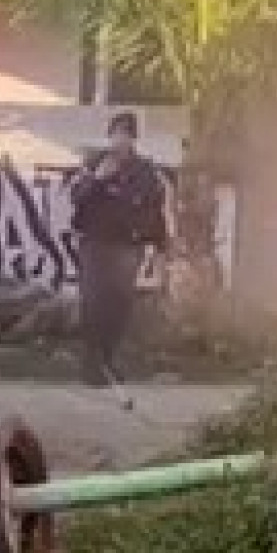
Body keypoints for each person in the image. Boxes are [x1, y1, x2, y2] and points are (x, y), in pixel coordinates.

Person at [72, 110, 171, 387]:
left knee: (119, 306)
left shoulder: (145, 172)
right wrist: (98, 178)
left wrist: (159, 247)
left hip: (127, 247)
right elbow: (77, 198)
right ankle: (91, 365)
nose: (120, 140)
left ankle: (107, 360)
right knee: (93, 304)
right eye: (116, 134)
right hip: (95, 245)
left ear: (133, 138)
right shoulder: (94, 163)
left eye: (125, 134)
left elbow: (155, 211)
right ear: (109, 136)